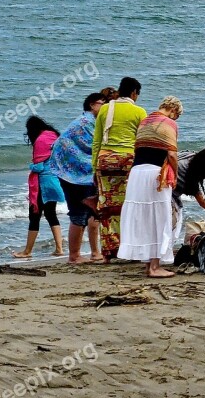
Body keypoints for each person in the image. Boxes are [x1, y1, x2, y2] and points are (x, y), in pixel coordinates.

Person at [118, 96, 182, 278]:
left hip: (137, 172)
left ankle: (148, 265)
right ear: (173, 109)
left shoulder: (144, 121)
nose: (175, 119)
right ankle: (155, 266)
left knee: (143, 217)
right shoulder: (168, 123)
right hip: (155, 174)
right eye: (176, 115)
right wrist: (175, 175)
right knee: (159, 217)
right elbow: (172, 154)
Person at [91, 77, 147, 261]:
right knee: (130, 205)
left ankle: (108, 251)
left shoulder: (106, 108)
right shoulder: (139, 112)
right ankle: (129, 248)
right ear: (133, 93)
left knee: (107, 207)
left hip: (105, 160)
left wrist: (94, 168)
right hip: (128, 161)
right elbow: (142, 142)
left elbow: (97, 141)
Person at [48, 92, 106, 263]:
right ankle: (74, 256)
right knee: (79, 213)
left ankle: (81, 254)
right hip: (74, 174)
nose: (105, 107)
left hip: (73, 173)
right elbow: (94, 146)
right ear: (92, 105)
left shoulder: (88, 121)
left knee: (86, 213)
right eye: (103, 103)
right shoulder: (86, 122)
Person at [13, 116, 65, 258]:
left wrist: (31, 166)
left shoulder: (40, 140)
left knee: (34, 216)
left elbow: (39, 166)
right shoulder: (53, 136)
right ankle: (59, 248)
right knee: (50, 214)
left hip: (43, 182)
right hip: (54, 180)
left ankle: (27, 251)